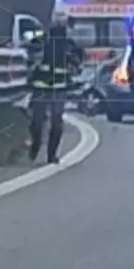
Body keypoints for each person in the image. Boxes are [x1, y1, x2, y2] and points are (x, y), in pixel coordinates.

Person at [26, 15, 84, 163]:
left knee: (56, 122)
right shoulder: (44, 37)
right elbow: (31, 41)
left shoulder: (69, 45)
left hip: (58, 88)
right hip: (41, 87)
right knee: (37, 122)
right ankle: (36, 146)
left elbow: (78, 63)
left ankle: (51, 154)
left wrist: (74, 61)